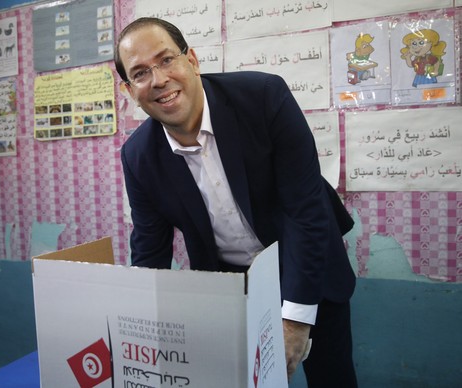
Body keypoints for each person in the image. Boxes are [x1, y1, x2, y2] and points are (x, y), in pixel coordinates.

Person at [115, 17, 358, 387]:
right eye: (141, 73)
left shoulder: (264, 97)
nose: (159, 79)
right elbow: (149, 250)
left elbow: (305, 209)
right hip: (230, 281)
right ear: (130, 90)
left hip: (308, 261)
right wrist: (141, 331)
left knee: (332, 376)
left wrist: (294, 321)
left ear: (192, 60)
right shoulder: (138, 156)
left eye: (166, 60)